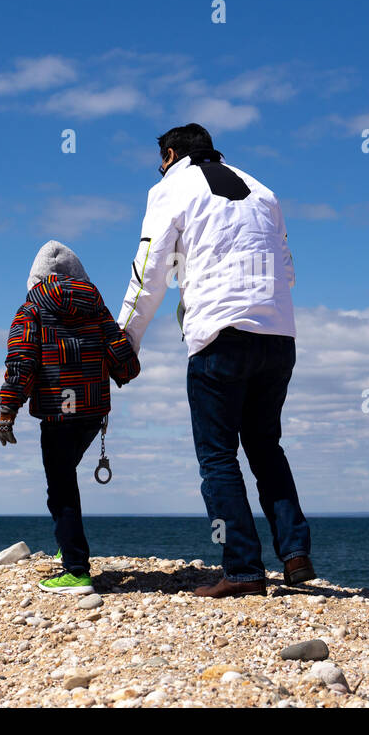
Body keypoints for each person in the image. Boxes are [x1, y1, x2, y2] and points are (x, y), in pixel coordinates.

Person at [118, 123, 314, 597]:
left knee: (218, 458)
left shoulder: (172, 187)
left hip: (220, 336)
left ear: (169, 154)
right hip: (278, 336)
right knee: (266, 448)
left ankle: (244, 570)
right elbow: (286, 268)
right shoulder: (262, 189)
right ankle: (295, 555)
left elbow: (151, 270)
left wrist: (127, 340)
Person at [0, 240, 140, 595]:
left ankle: (76, 570)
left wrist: (7, 411)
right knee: (65, 478)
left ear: (36, 278)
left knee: (60, 488)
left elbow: (21, 363)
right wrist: (123, 371)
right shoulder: (96, 307)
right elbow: (122, 358)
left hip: (58, 414)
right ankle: (69, 544)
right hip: (92, 412)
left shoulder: (31, 310)